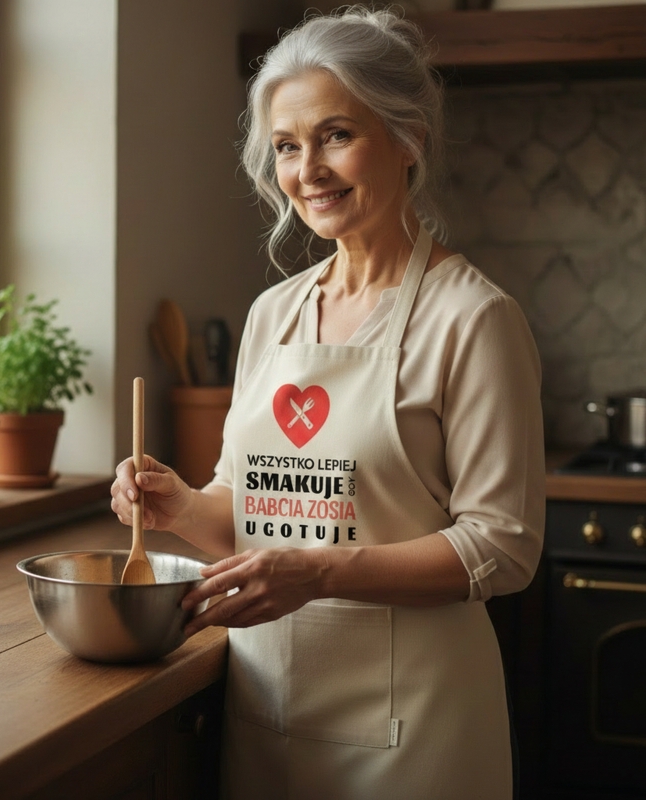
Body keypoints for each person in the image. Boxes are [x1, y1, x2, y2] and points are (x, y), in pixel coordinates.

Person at [111, 6, 545, 799]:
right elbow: (252, 514)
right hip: (266, 708)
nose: (307, 169)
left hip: (417, 725)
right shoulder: (273, 314)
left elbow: (502, 548)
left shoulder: (473, 318)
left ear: (407, 138)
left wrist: (319, 572)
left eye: (336, 135)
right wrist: (181, 508)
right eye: (286, 146)